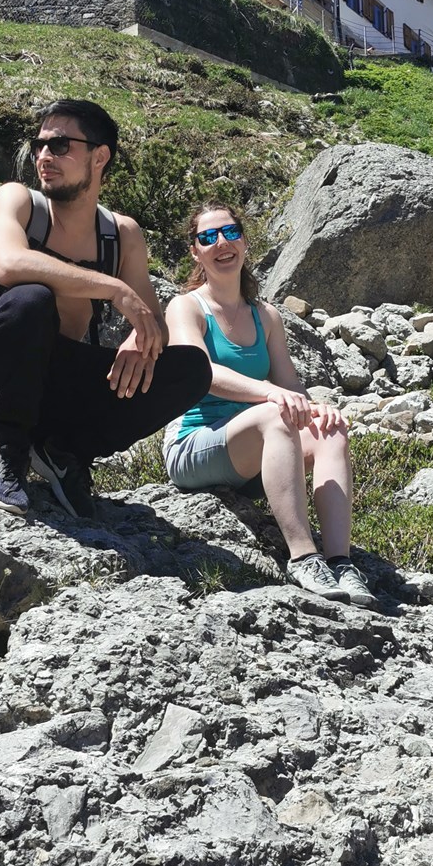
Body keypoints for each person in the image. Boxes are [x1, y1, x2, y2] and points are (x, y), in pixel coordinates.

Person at [0, 99, 211, 517]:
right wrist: (113, 288)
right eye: (38, 145)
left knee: (190, 370)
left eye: (60, 145)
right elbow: (8, 264)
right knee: (30, 299)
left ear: (99, 156)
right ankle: (10, 456)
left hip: (61, 391)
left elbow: (154, 322)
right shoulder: (18, 202)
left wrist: (141, 337)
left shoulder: (120, 234)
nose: (44, 156)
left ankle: (64, 453)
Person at [163, 202, 378, 606]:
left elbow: (290, 387)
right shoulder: (187, 307)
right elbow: (199, 372)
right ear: (195, 252)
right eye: (207, 238)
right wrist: (270, 395)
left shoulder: (266, 316)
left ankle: (341, 561)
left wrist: (317, 410)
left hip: (253, 452)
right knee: (276, 416)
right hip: (194, 444)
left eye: (229, 233)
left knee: (329, 429)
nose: (221, 243)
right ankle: (303, 557)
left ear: (243, 241)